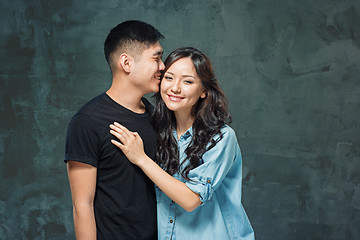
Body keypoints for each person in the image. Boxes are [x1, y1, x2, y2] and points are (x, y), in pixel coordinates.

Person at [110, 47, 255, 240]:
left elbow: (190, 200)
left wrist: (141, 159)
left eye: (187, 81)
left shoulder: (221, 138)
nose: (175, 88)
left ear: (203, 90)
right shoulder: (158, 131)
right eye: (169, 78)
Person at [64, 20, 164, 240]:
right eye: (156, 58)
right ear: (126, 63)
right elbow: (82, 205)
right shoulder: (87, 121)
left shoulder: (156, 115)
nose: (163, 67)